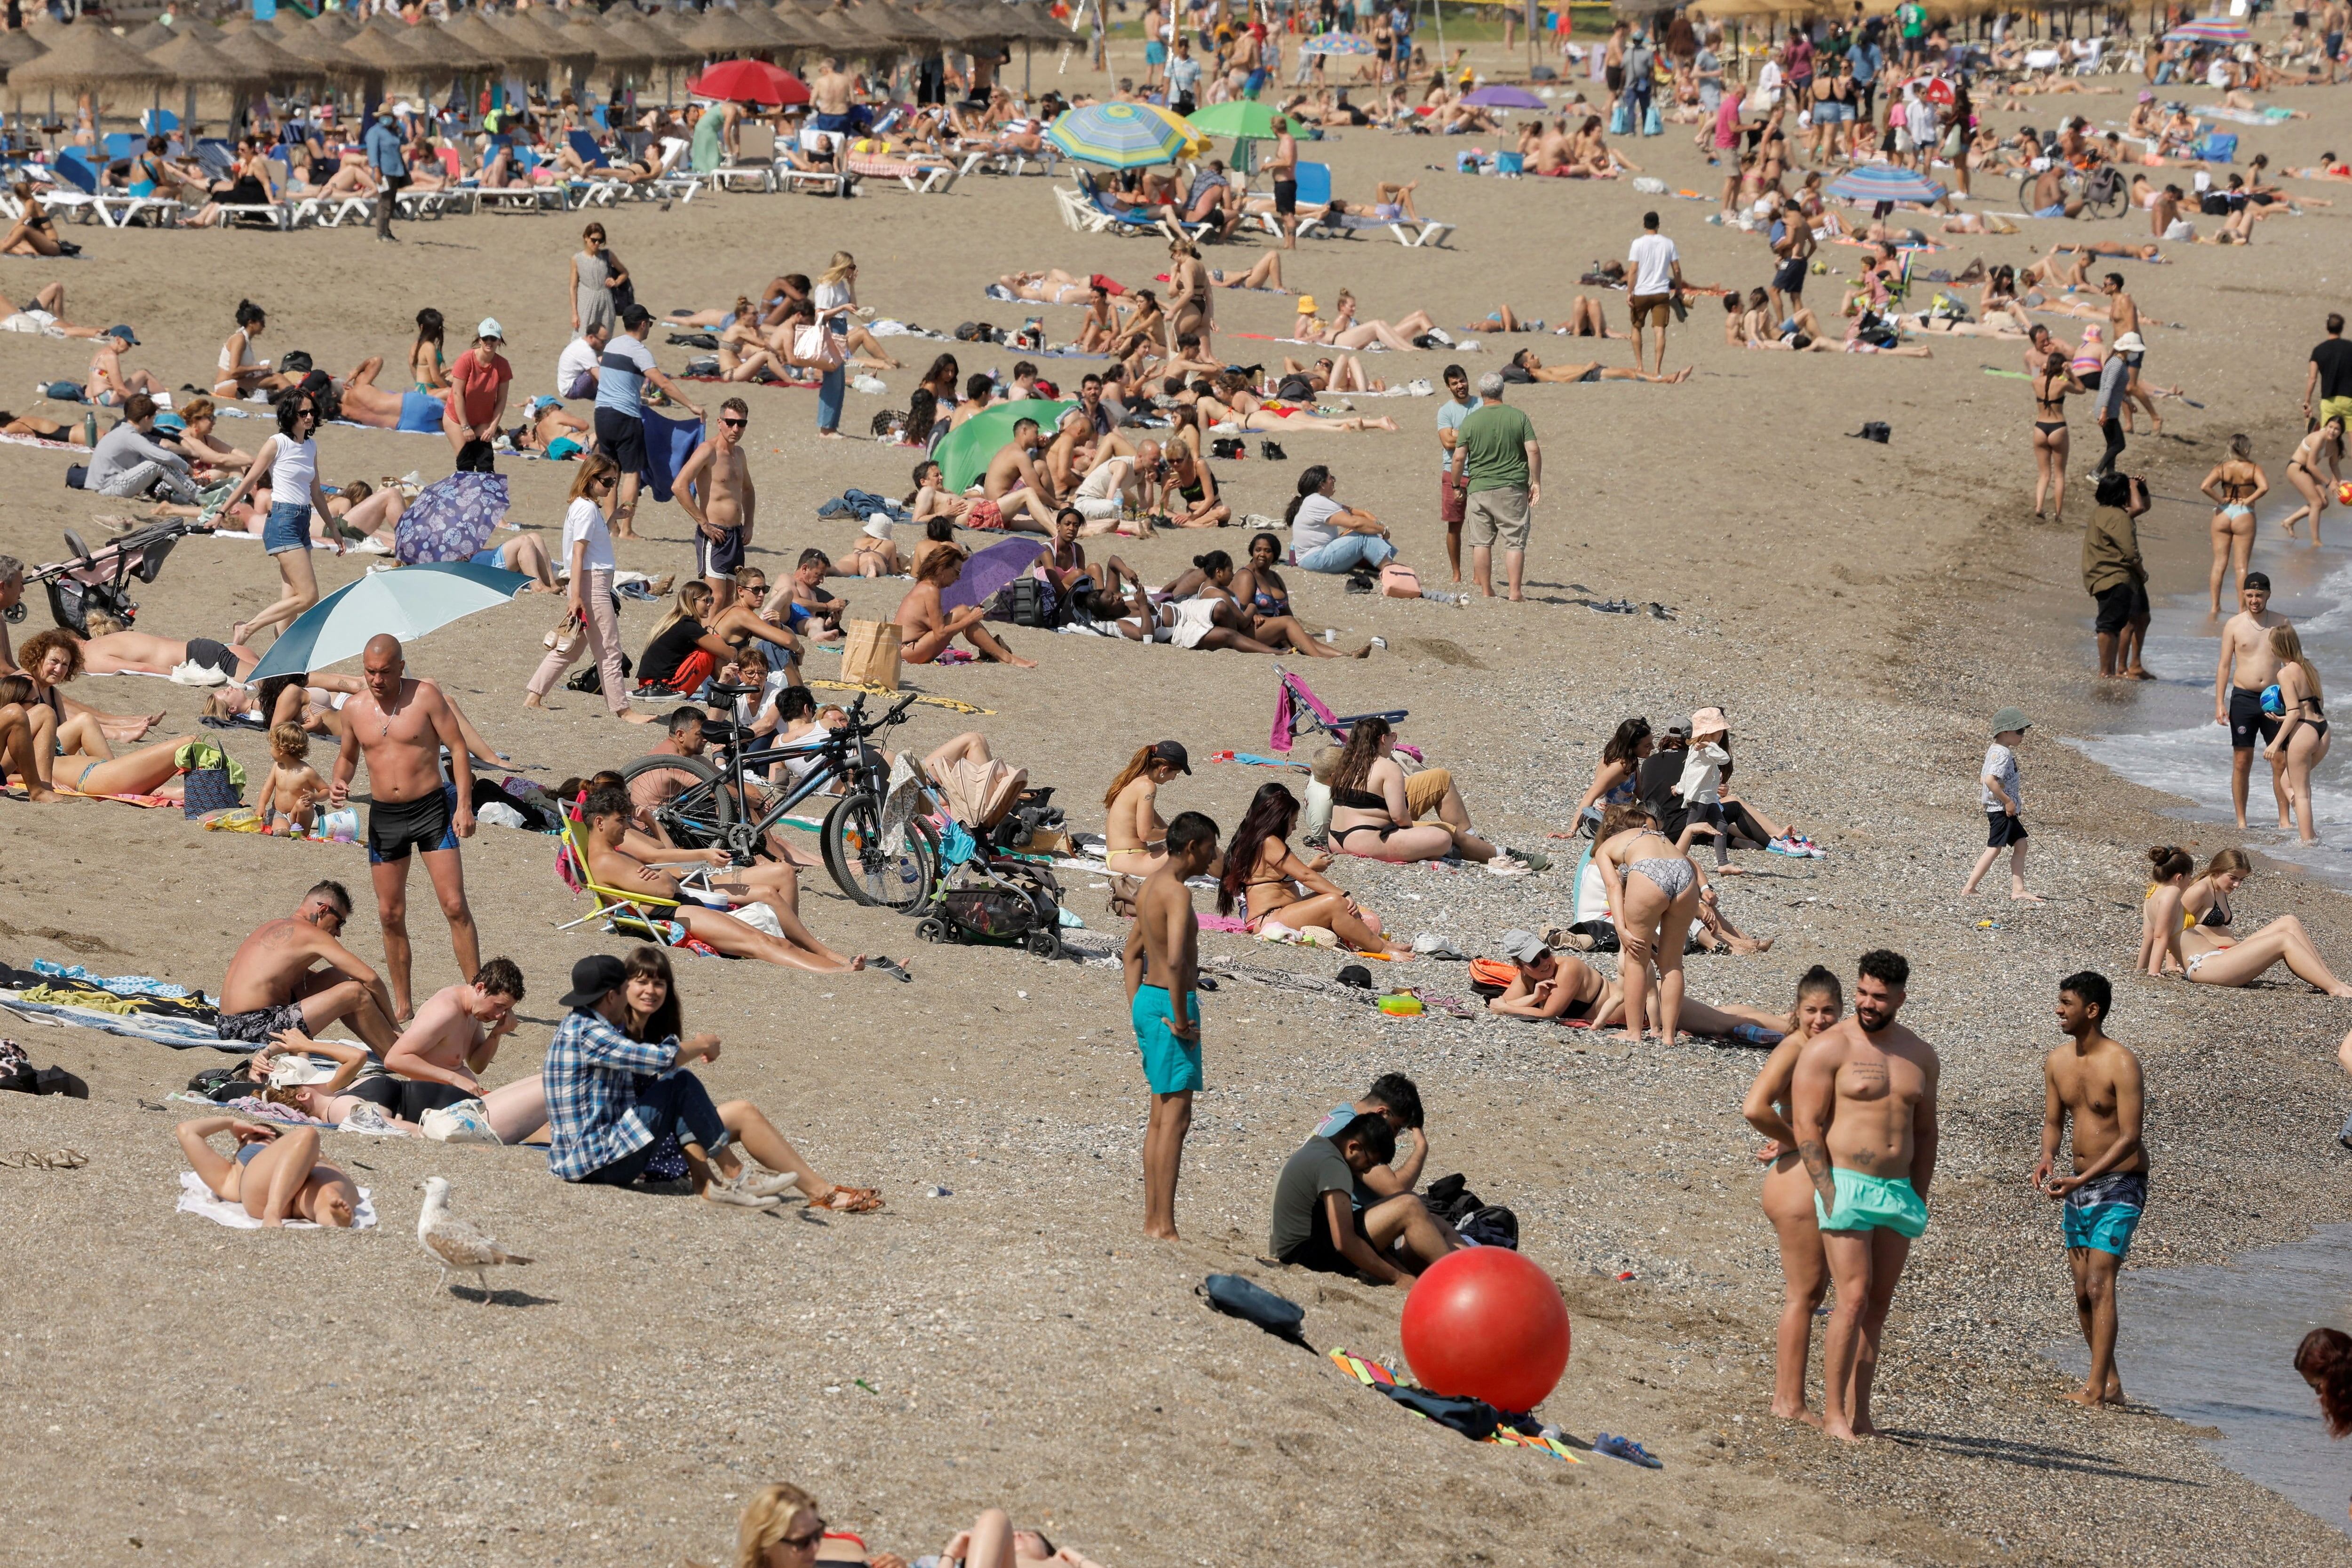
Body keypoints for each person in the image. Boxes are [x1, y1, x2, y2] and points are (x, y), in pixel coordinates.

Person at [544, 950, 883, 1211]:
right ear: (617, 993)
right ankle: (732, 1179)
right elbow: (663, 1070)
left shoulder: (625, 1030)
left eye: (659, 983)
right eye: (640, 983)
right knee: (684, 1084)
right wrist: (701, 1045)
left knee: (731, 1106)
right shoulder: (600, 1034)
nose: (651, 991)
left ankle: (816, 1191)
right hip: (613, 1158)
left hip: (631, 1144)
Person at [1792, 950, 1937, 1442]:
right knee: (1850, 1298)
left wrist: (1918, 1193)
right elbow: (1806, 1123)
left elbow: (1926, 1130)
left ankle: (1860, 1415)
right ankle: (1833, 1415)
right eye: (1861, 993)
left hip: (1897, 1191)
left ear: (1899, 997)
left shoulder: (1919, 1054)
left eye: (1878, 996)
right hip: (1847, 1184)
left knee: (1877, 1303)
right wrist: (1826, 1189)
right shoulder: (1829, 1047)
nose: (1867, 1003)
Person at [326, 635, 479, 1022]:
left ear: (400, 666)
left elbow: (458, 748)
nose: (376, 680)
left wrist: (463, 805)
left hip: (430, 809)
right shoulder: (354, 708)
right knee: (390, 914)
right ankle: (403, 1003)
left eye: (384, 672)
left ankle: (476, 992)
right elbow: (347, 758)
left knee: (455, 905)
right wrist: (339, 781)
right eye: (370, 672)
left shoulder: (425, 696)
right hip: (387, 818)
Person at [580, 787, 870, 974]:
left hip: (681, 905)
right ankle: (835, 971)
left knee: (767, 940)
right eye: (622, 821)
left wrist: (660, 877)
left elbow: (662, 882)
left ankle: (836, 964)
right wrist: (664, 877)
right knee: (760, 943)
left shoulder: (614, 855)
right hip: (675, 913)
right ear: (600, 822)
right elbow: (667, 888)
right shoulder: (608, 860)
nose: (628, 826)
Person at [2034, 970, 2146, 1410]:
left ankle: (2095, 1391)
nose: (2058, 1010)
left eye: (2066, 1003)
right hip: (2077, 1187)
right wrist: (2047, 1157)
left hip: (2121, 1183)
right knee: (2082, 1290)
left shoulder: (2121, 1063)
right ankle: (2111, 1381)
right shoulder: (2058, 1061)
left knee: (2101, 1283)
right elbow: (2053, 1121)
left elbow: (2130, 1137)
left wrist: (2083, 1178)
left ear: (2092, 1010)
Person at [1741, 966, 1845, 1424]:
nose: (1819, 1019)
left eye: (1828, 1011)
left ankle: (1798, 1398)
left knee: (1813, 1292)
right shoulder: (1795, 1047)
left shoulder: (1828, 1047)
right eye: (1811, 1010)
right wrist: (1793, 1140)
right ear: (1796, 1011)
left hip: (1806, 1177)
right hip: (1797, 1183)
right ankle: (1787, 1401)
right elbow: (1754, 1107)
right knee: (1803, 1296)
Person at [1124, 810, 1220, 1241]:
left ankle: (1154, 1221)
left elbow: (1131, 955)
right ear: (1193, 847)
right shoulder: (1178, 894)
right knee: (1175, 1121)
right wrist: (1181, 1020)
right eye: (1212, 849)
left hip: (1148, 1000)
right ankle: (1162, 1225)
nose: (1214, 857)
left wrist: (1138, 1010)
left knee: (1159, 1118)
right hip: (1171, 1003)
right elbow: (1179, 960)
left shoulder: (1148, 888)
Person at [1270, 1109, 1459, 1285]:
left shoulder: (1320, 1146)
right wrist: (1398, 1278)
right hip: (1302, 1256)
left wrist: (1406, 1276)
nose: (1368, 1170)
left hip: (1297, 1247)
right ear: (1354, 1147)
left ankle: (1453, 1273)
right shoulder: (1334, 1166)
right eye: (1369, 1163)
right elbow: (1344, 1242)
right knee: (1410, 1205)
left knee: (1402, 1205)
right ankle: (1457, 1278)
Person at [1218, 782, 1408, 954]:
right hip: (1268, 919)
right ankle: (1383, 950)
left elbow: (1293, 875)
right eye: (1292, 823)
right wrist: (1344, 894)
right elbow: (1306, 876)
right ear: (1279, 821)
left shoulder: (1255, 840)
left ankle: (1378, 943)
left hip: (1275, 914)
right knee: (1336, 902)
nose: (1293, 829)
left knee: (1329, 900)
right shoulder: (1269, 842)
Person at [2138, 844, 2352, 993]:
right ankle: (2334, 988)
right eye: (2233, 878)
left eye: (2242, 880)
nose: (2237, 885)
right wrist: (2157, 970)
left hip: (2215, 957)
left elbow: (2151, 936)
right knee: (2284, 940)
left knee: (2289, 922)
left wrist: (2141, 969)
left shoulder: (2151, 895)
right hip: (2206, 963)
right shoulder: (2177, 893)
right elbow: (2161, 936)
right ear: (2179, 877)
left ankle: (2331, 981)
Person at [218, 881, 401, 1053]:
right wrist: (394, 1025)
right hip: (253, 1029)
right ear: (323, 910)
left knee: (335, 977)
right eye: (340, 923)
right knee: (354, 992)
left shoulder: (274, 925)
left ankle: (386, 1044)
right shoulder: (313, 935)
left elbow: (279, 976)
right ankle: (397, 1055)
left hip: (228, 1025)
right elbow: (370, 978)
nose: (338, 932)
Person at [214, 396, 333, 649]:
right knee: (309, 596)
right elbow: (247, 482)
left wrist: (334, 529)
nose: (309, 417)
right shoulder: (276, 444)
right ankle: (248, 627)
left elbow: (316, 493)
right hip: (283, 521)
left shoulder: (311, 446)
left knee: (291, 595)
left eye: (312, 412)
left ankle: (280, 650)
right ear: (291, 415)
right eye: (303, 413)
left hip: (302, 521)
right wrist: (221, 511)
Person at [1326, 717, 1518, 867]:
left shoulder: (1345, 765)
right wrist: (1414, 831)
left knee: (1435, 833)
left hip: (1335, 839)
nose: (1394, 741)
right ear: (1383, 739)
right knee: (1441, 837)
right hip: (1366, 840)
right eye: (1393, 737)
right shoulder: (1386, 767)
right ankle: (1490, 850)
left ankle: (1472, 843)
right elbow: (1400, 818)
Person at [1594, 802, 1704, 1044]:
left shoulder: (1607, 847)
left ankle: (1634, 1033)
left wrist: (1621, 929)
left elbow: (1613, 887)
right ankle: (1668, 1036)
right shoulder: (1659, 837)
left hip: (1648, 872)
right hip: (1683, 872)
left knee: (1636, 959)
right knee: (1672, 963)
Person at [596, 303, 704, 540]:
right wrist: (692, 406)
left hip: (601, 414)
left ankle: (611, 528)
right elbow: (663, 384)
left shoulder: (612, 345)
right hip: (624, 416)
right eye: (650, 324)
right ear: (643, 324)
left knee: (610, 472)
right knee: (632, 473)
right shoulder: (639, 350)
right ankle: (626, 529)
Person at [1447, 371, 1540, 602]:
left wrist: (1457, 484)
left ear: (1481, 393)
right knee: (1515, 542)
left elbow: (1458, 458)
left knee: (1481, 542)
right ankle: (1515, 592)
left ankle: (1487, 590)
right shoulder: (1518, 417)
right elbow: (1533, 450)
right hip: (1512, 487)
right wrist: (1536, 482)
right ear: (1502, 391)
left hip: (1479, 487)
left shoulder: (1470, 421)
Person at [176, 1116, 358, 1228]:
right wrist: (231, 1123)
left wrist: (319, 1158)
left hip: (306, 1189)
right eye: (254, 1136)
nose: (262, 1134)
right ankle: (273, 1211)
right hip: (264, 1195)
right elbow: (186, 1131)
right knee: (308, 1136)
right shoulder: (230, 1174)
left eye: (270, 1135)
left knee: (330, 1196)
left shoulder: (303, 1148)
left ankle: (333, 1221)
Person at [2216, 573, 2289, 829]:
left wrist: (2299, 701)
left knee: (2280, 760)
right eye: (2250, 595)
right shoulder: (2234, 625)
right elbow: (2224, 665)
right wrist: (2220, 703)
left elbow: (2293, 663)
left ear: (2268, 594)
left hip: (2275, 699)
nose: (2254, 600)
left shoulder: (2282, 623)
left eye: (2259, 595)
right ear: (2244, 595)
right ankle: (2241, 821)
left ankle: (2284, 820)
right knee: (2242, 760)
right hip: (2244, 698)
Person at [893, 547, 1036, 668]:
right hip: (908, 650)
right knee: (963, 614)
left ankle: (1001, 654)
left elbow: (930, 625)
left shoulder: (927, 586)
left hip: (908, 647)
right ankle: (1007, 658)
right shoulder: (930, 590)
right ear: (942, 568)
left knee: (962, 611)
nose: (959, 578)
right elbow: (940, 633)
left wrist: (972, 616)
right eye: (957, 572)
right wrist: (970, 619)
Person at [675, 396, 756, 611]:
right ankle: (706, 643)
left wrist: (749, 524)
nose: (736, 428)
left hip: (736, 534)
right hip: (715, 534)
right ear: (720, 423)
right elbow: (679, 486)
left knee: (731, 598)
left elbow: (748, 490)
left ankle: (722, 643)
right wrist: (704, 524)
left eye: (742, 424)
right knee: (715, 598)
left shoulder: (739, 454)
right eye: (730, 423)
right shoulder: (708, 451)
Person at [1963, 707, 2041, 903]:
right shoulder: (2003, 753)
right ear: (2006, 732)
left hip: (2000, 807)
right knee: (1995, 848)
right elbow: (1990, 780)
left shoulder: (1995, 749)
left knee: (2021, 843)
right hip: (2001, 809)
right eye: (2020, 731)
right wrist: (2007, 801)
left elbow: (1983, 778)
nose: (2023, 736)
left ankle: (2018, 890)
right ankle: (1970, 887)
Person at [2264, 623, 2332, 844]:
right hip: (2322, 729)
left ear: (2279, 647)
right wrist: (2285, 718)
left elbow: (2293, 712)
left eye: (2272, 646)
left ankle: (2308, 844)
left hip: (2304, 732)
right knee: (2288, 782)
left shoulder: (2285, 673)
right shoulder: (2310, 668)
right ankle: (2310, 832)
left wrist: (2275, 744)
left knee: (2301, 792)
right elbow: (2315, 703)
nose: (2271, 650)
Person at [2083, 470, 2153, 680]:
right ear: (2122, 494)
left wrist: (2137, 487)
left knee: (2115, 625)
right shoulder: (2118, 517)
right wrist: (2142, 572)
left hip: (2105, 576)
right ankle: (2107, 672)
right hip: (2115, 576)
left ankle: (2112, 671)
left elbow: (2141, 506)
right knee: (2109, 627)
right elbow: (2131, 554)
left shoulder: (2101, 512)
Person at [1486, 927, 1621, 1024]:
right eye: (1535, 961)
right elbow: (1499, 1003)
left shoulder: (1569, 968)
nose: (1545, 963)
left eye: (1545, 954)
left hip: (1638, 1011)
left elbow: (1549, 1014)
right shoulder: (1526, 977)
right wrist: (1535, 997)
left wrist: (1507, 1009)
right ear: (1521, 968)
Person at [2197, 436, 2268, 616]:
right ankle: (2242, 609)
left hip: (2223, 512)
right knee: (2241, 566)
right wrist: (2249, 500)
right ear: (2246, 449)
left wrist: (2221, 500)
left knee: (2219, 563)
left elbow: (2205, 486)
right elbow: (2264, 487)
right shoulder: (2253, 468)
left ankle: (2215, 607)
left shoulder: (2222, 467)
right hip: (2244, 514)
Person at [1285, 465, 1396, 575]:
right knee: (1363, 536)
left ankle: (1386, 563)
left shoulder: (1319, 501)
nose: (1334, 480)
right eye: (1330, 478)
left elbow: (1356, 515)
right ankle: (1390, 570)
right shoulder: (1318, 502)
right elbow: (1356, 524)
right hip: (1314, 558)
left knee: (1365, 530)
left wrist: (1377, 525)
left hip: (1312, 558)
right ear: (1322, 484)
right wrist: (1382, 530)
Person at [1432, 363, 1480, 583]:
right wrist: (1473, 434)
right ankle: (1457, 573)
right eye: (1455, 383)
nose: (1460, 386)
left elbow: (1489, 435)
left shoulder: (1482, 404)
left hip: (1481, 471)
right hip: (1453, 474)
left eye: (1462, 380)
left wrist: (1459, 433)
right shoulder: (1446, 411)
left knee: (1481, 526)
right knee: (1455, 525)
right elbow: (1447, 442)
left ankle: (1479, 574)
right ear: (1448, 387)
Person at [443, 319, 512, 462]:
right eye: (485, 338)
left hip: (483, 419)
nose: (489, 341)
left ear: (499, 340)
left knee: (485, 462)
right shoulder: (466, 360)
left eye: (493, 338)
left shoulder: (503, 365)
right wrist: (465, 426)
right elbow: (457, 394)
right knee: (466, 462)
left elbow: (502, 399)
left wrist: (493, 427)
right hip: (457, 418)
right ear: (480, 340)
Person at [1626, 211, 1685, 378]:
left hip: (1642, 292)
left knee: (1637, 327)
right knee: (1660, 331)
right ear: (1658, 225)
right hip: (1661, 292)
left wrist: (1630, 292)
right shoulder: (1668, 243)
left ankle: (1639, 366)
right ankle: (1657, 369)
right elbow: (1677, 269)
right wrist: (1679, 289)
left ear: (1644, 225)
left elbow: (1633, 270)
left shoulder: (1638, 243)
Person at [2279, 415, 2346, 544]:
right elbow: (2311, 465)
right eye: (2330, 427)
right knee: (2317, 503)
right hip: (2297, 468)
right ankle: (2316, 541)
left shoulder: (2336, 445)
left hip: (2310, 471)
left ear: (2341, 432)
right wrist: (2329, 483)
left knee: (2324, 503)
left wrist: (2341, 481)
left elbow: (2334, 465)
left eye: (2337, 429)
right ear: (2326, 426)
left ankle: (2289, 521)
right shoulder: (2319, 438)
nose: (2332, 431)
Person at [257, 721, 326, 834]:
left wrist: (316, 797)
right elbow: (267, 789)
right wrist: (261, 806)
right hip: (279, 813)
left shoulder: (306, 772)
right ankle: (286, 829)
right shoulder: (277, 767)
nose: (270, 750)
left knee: (303, 805)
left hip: (300, 813)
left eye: (272, 746)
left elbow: (326, 791)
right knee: (281, 831)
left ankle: (303, 831)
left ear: (282, 749)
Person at [364, 108, 406, 243]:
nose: (387, 118)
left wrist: (399, 127)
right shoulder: (374, 132)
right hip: (383, 172)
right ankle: (381, 233)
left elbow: (404, 142)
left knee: (392, 202)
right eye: (384, 116)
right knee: (384, 202)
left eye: (389, 116)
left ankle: (387, 231)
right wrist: (376, 170)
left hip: (395, 171)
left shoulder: (393, 132)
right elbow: (372, 152)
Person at [2304, 311, 2352, 430]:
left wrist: (2307, 401)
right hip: (2349, 400)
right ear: (2342, 329)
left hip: (2329, 401)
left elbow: (2312, 379)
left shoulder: (2319, 350)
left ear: (2327, 327)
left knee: (2328, 435)